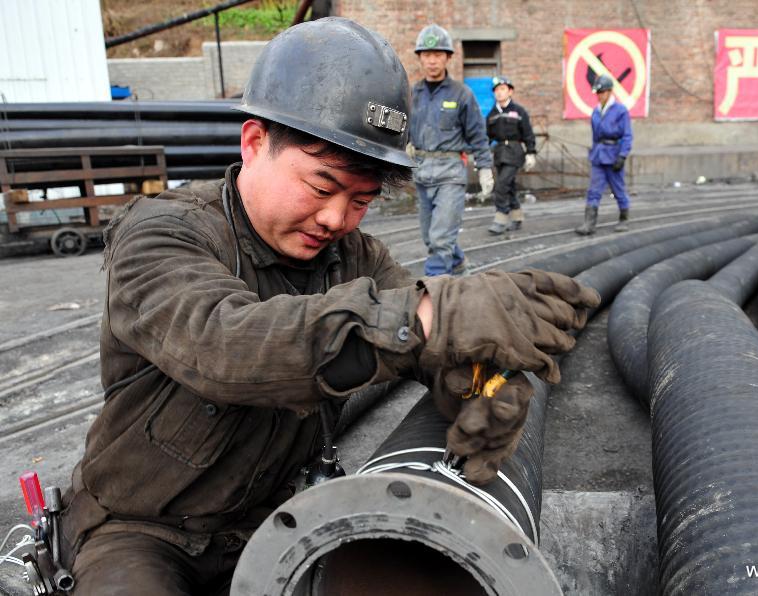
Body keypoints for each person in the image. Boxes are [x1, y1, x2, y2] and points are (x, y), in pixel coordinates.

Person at [56, 18, 599, 595]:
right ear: (254, 143)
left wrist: (478, 382)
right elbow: (224, 344)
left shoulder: (355, 255)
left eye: (361, 200)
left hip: (276, 517)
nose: (337, 219)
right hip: (143, 532)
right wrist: (435, 315)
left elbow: (421, 346)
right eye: (320, 188)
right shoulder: (163, 234)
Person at [409, 24, 494, 275]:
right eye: (427, 55)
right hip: (422, 172)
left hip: (450, 175)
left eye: (438, 55)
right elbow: (400, 129)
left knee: (439, 241)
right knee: (430, 237)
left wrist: (485, 167)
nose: (432, 61)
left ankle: (434, 296)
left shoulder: (462, 94)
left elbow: (477, 134)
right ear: (420, 58)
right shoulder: (412, 93)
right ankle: (458, 265)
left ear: (448, 58)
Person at [575, 74, 633, 236]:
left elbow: (627, 135)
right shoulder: (596, 112)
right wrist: (594, 151)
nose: (599, 96)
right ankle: (589, 223)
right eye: (597, 93)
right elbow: (595, 136)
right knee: (594, 190)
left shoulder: (620, 111)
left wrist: (622, 155)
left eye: (602, 92)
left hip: (614, 155)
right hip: (599, 156)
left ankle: (624, 218)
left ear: (609, 92)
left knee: (618, 188)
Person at [485, 75, 537, 235]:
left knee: (501, 185)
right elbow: (486, 137)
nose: (499, 93)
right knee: (509, 186)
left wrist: (530, 153)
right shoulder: (492, 114)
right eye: (496, 90)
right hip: (499, 153)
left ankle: (500, 218)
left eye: (502, 89)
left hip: (515, 152)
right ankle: (516, 217)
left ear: (510, 91)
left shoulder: (519, 111)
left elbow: (528, 133)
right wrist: (481, 155)